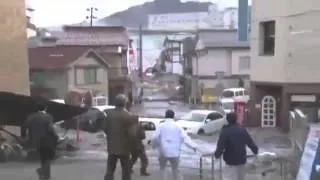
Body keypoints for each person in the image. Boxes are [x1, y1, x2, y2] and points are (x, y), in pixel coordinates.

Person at [151, 109, 197, 180]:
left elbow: (154, 137)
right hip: (175, 152)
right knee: (176, 170)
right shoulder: (178, 126)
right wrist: (194, 146)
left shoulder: (161, 126)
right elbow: (185, 138)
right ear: (173, 116)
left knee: (162, 169)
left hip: (163, 152)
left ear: (165, 116)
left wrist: (154, 146)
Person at [214, 112, 258, 180]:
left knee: (229, 177)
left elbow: (220, 146)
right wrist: (255, 151)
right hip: (242, 160)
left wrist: (217, 155)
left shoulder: (225, 131)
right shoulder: (242, 130)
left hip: (230, 162)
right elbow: (250, 143)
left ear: (227, 120)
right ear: (236, 119)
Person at [103, 94, 137, 180]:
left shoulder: (108, 114)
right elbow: (132, 134)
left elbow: (105, 128)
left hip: (112, 146)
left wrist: (111, 136)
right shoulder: (129, 116)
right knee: (126, 171)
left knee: (110, 169)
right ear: (125, 103)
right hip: (125, 148)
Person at [26, 101, 59, 180]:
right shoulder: (48, 117)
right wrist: (56, 136)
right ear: (45, 108)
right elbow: (50, 128)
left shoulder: (31, 117)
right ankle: (42, 171)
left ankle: (46, 176)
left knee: (43, 157)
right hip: (47, 140)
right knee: (48, 158)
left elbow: (26, 126)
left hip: (36, 140)